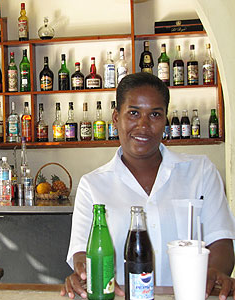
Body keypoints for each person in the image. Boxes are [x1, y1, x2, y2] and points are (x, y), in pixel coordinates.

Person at [60, 72, 235, 299]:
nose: (143, 125)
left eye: (155, 114)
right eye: (133, 113)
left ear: (165, 120)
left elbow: (221, 240)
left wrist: (215, 273)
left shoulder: (200, 172)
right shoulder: (93, 185)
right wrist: (83, 276)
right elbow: (82, 253)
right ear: (116, 117)